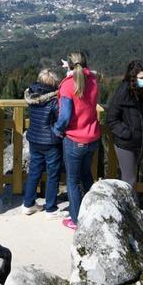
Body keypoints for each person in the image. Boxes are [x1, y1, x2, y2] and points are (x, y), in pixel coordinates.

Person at [53, 51, 101, 230]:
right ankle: (92, 213)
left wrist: (57, 129)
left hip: (75, 138)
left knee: (72, 181)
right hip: (92, 137)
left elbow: (65, 116)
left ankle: (76, 219)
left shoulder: (67, 85)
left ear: (71, 67)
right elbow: (87, 73)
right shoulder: (93, 81)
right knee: (86, 175)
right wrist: (71, 68)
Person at [106, 59, 143, 228]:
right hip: (125, 143)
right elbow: (112, 120)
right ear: (133, 78)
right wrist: (127, 134)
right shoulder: (123, 93)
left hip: (139, 142)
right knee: (129, 179)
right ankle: (132, 215)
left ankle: (127, 211)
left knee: (130, 179)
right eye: (141, 77)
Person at [21, 68, 68, 219]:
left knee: (34, 171)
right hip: (50, 141)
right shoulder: (54, 100)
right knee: (53, 174)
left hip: (34, 139)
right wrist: (56, 131)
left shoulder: (32, 96)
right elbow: (61, 119)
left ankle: (28, 204)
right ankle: (51, 208)